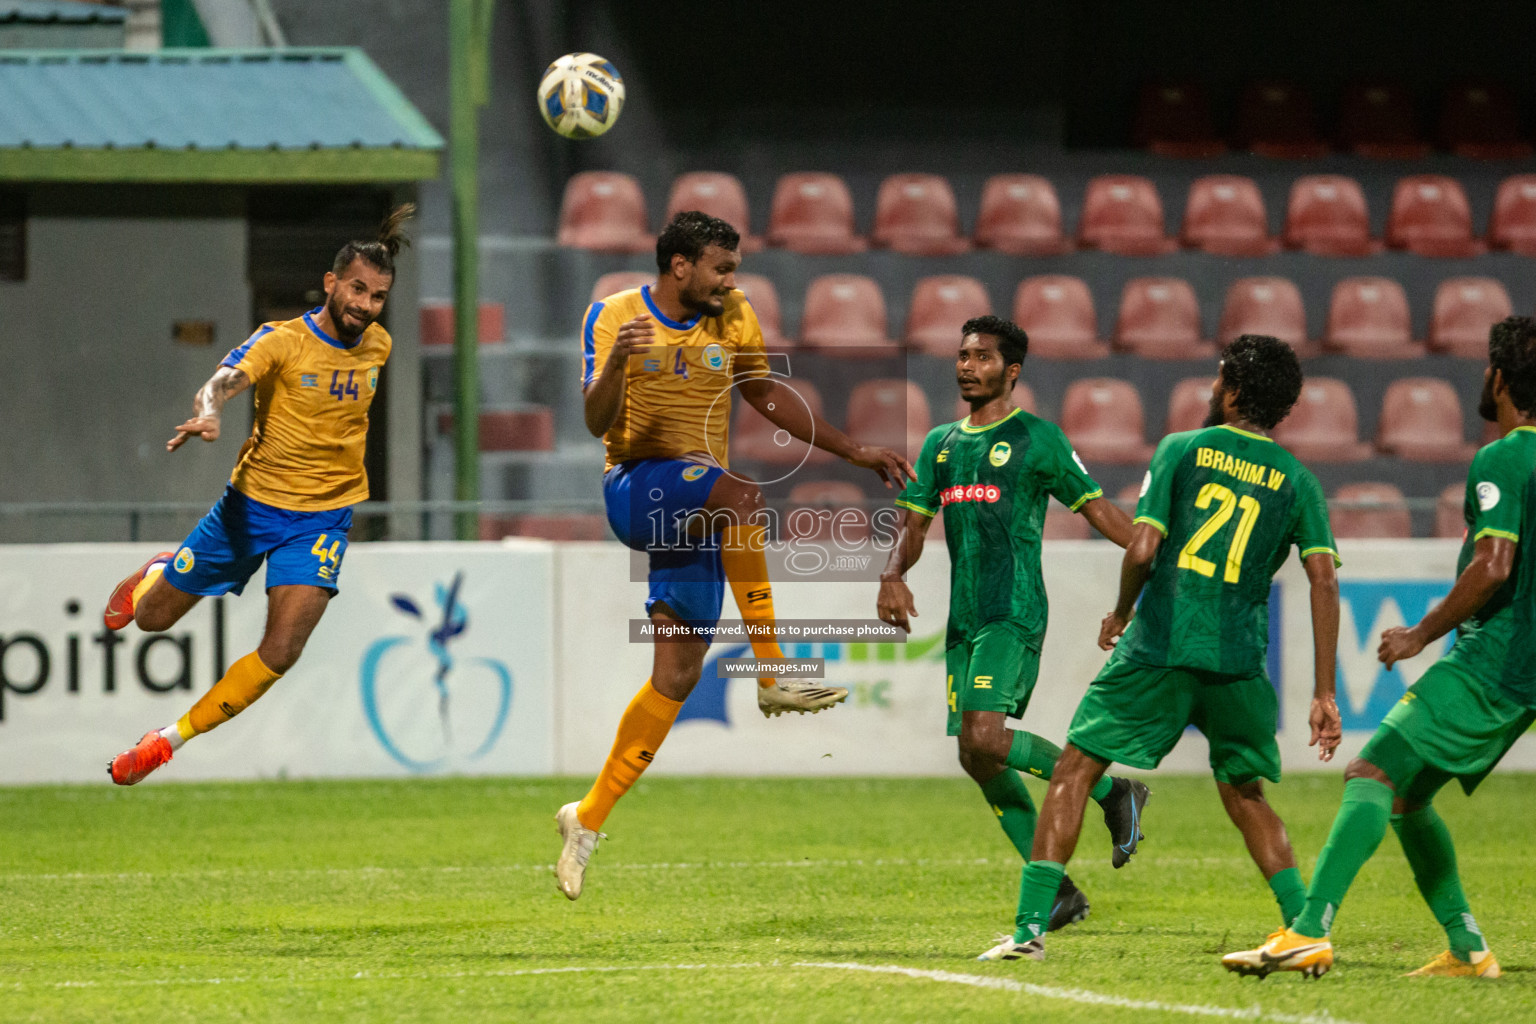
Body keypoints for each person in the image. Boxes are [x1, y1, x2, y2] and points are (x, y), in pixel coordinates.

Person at [555, 211, 913, 900]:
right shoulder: (614, 315)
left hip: (693, 505)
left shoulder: (735, 315)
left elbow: (765, 393)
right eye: (721, 268)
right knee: (743, 496)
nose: (731, 281)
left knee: (677, 675)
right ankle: (775, 669)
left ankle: (587, 819)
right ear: (680, 266)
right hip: (635, 488)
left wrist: (856, 449)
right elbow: (596, 420)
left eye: (734, 269)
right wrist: (621, 366)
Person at [984, 334, 1343, 962]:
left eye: (1217, 377)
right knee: (1246, 793)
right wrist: (1322, 690)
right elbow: (1323, 580)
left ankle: (1028, 933)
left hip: (1161, 647)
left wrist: (1122, 612)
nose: (1211, 385)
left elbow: (1144, 547)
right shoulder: (1299, 482)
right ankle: (1304, 929)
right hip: (1238, 659)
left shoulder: (1184, 448)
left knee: (1075, 770)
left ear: (1231, 387)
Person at [1223, 317, 1536, 980]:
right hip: (1522, 670)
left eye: (1489, 367)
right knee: (1406, 798)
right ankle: (1467, 947)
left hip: (1496, 663)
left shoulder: (1507, 456)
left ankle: (1309, 930)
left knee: (1372, 774)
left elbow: (1496, 563)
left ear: (1502, 378)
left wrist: (1421, 633)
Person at [104, 204, 414, 785]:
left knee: (281, 651)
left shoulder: (379, 347)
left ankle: (165, 742)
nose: (364, 306)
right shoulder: (283, 341)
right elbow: (225, 379)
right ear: (330, 283)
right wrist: (207, 412)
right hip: (249, 509)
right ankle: (157, 573)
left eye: (376, 297)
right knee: (151, 620)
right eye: (356, 289)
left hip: (322, 520)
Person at [877, 316, 1148, 935]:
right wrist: (892, 573)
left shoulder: (1038, 440)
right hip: (963, 619)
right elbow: (915, 524)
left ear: (1012, 370)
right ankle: (1060, 889)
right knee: (975, 756)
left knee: (987, 736)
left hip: (1013, 611)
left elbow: (1103, 512)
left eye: (981, 357)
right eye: (962, 354)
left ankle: (1110, 795)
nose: (966, 366)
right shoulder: (942, 443)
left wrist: (1151, 558)